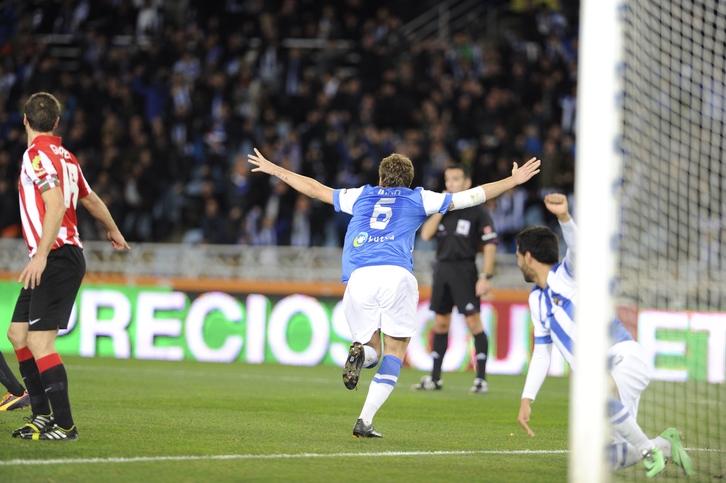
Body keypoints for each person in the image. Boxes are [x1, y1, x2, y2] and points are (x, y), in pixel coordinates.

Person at [248, 148, 541, 437]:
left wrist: (276, 169)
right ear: (409, 180)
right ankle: (364, 419)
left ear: (380, 177)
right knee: (395, 351)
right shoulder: (418, 198)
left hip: (358, 276)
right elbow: (473, 196)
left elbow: (314, 189)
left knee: (371, 348)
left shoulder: (360, 195)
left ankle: (361, 354)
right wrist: (512, 181)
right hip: (395, 274)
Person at [515, 193, 693, 477]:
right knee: (599, 459)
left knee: (592, 390)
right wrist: (527, 399)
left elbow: (578, 249)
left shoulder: (568, 275)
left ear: (527, 256)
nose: (516, 260)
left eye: (517, 254)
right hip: (602, 372)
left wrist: (565, 218)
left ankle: (649, 451)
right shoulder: (536, 301)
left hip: (621, 357)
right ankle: (665, 445)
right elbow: (541, 351)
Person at [6, 92, 131, 441]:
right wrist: (113, 228)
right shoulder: (67, 157)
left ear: (26, 121)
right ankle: (41, 416)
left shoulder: (36, 155)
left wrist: (42, 255)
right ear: (57, 122)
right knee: (18, 335)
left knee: (41, 343)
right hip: (54, 256)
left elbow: (56, 204)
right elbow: (89, 198)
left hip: (56, 256)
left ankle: (65, 425)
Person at [412, 164, 498, 393]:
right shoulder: (442, 209)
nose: (450, 183)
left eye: (455, 179)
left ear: (467, 183)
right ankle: (435, 378)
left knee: (473, 322)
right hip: (442, 270)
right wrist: (441, 208)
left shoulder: (477, 210)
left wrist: (485, 276)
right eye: (447, 179)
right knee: (440, 323)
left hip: (465, 269)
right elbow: (426, 234)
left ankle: (481, 378)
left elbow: (490, 244)